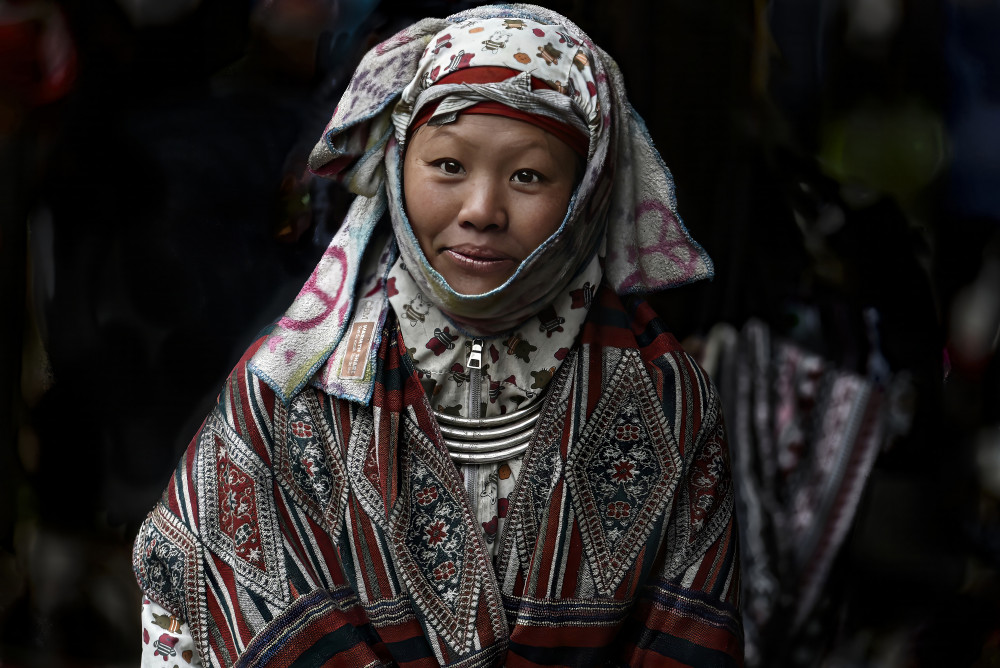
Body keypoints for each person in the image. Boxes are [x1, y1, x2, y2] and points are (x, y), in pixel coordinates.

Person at [133, 4, 743, 666]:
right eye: (448, 166)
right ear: (396, 170)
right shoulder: (290, 390)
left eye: (528, 176)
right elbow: (190, 599)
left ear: (589, 191)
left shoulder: (666, 398)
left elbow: (692, 637)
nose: (481, 211)